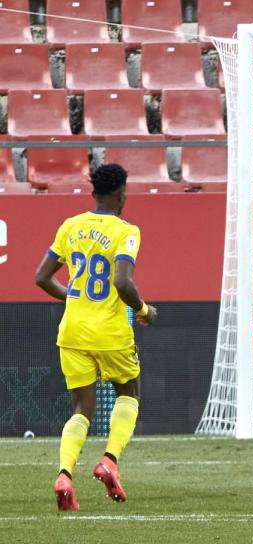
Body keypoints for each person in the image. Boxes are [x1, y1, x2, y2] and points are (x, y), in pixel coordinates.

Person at [34, 164, 157, 511]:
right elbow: (121, 282)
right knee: (129, 393)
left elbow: (41, 277)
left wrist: (74, 296)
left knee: (80, 410)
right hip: (111, 334)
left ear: (93, 194)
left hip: (72, 332)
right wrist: (145, 310)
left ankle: (63, 475)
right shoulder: (126, 231)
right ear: (121, 195)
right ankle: (109, 460)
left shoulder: (71, 226)